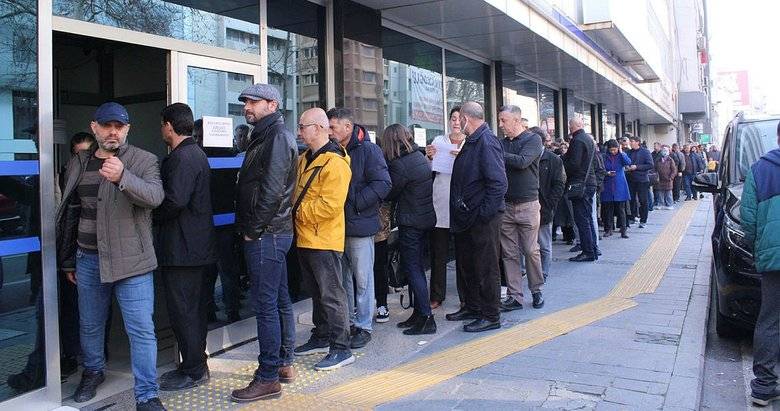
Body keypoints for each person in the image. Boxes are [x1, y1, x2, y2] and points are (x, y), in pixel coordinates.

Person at [56, 102, 165, 410]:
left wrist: (123, 178)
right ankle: (93, 372)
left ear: (127, 129)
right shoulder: (78, 162)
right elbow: (70, 213)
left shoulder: (144, 160)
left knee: (141, 330)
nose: (113, 131)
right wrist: (68, 259)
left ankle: (147, 394)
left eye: (119, 126)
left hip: (134, 264)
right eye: (107, 126)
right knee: (90, 324)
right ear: (95, 128)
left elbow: (155, 198)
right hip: (88, 259)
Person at [230, 84, 299, 402]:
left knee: (266, 306)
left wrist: (252, 230)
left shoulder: (276, 137)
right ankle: (284, 363)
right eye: (245, 101)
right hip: (272, 232)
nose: (247, 106)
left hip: (266, 233)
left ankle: (268, 376)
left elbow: (272, 190)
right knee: (280, 300)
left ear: (272, 105)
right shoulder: (265, 135)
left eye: (253, 102)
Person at [154, 103, 216, 392]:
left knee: (184, 312)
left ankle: (192, 369)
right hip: (197, 248)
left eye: (162, 125)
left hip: (182, 250)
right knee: (194, 310)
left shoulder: (182, 157)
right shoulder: (197, 153)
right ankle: (195, 364)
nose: (162, 131)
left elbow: (175, 201)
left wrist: (150, 215)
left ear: (169, 125)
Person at [291, 108, 354, 371]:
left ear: (318, 128)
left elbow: (329, 206)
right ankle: (321, 336)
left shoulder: (335, 163)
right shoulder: (305, 158)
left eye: (303, 126)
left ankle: (341, 348)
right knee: (317, 294)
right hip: (306, 237)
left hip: (323, 239)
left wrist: (296, 212)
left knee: (332, 295)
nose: (299, 132)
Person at [327, 108, 391, 349]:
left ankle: (364, 326)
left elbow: (384, 183)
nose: (330, 132)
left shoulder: (369, 150)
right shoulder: (332, 151)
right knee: (343, 280)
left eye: (333, 127)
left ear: (348, 127)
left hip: (359, 225)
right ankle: (349, 322)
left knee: (363, 279)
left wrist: (355, 202)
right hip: (335, 226)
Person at [446, 101, 508, 333]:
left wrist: (483, 214)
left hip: (482, 219)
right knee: (468, 265)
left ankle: (490, 314)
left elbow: (498, 184)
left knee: (485, 267)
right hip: (467, 219)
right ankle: (472, 306)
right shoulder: (472, 141)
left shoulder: (486, 141)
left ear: (466, 118)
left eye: (458, 118)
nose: (456, 122)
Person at [382, 124, 437, 335]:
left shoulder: (400, 165)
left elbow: (390, 192)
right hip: (424, 219)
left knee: (413, 269)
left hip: (411, 222)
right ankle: (419, 313)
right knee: (418, 269)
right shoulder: (419, 157)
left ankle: (426, 318)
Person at [741, 125, 780, 407]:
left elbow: (748, 220)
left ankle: (764, 387)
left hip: (773, 259)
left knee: (769, 321)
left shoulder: (759, 170)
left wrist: (760, 248)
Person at [496, 105, 545, 311]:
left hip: (528, 204)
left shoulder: (533, 139)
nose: (500, 125)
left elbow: (523, 162)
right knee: (508, 253)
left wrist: (497, 152)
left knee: (531, 250)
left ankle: (536, 290)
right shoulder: (501, 143)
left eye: (503, 121)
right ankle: (515, 296)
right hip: (506, 205)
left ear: (517, 121)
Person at [425, 107, 466, 309]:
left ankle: (465, 296)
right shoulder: (439, 141)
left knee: (464, 252)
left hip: (461, 202)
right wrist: (429, 157)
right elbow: (429, 170)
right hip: (439, 199)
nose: (456, 122)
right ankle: (436, 294)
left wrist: (462, 157)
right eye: (453, 118)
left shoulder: (470, 143)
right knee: (438, 252)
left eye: (459, 118)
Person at [528, 126, 566, 279]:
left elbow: (559, 183)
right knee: (526, 244)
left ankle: (544, 271)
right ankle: (527, 270)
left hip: (544, 207)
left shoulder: (553, 160)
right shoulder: (526, 157)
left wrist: (550, 203)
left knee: (544, 243)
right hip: (527, 205)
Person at [563, 117, 599, 262]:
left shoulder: (577, 140)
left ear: (572, 126)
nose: (569, 128)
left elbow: (574, 164)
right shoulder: (588, 139)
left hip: (580, 184)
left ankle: (588, 252)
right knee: (588, 218)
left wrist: (562, 165)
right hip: (589, 182)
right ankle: (593, 249)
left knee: (582, 219)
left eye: (569, 126)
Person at [601, 139, 632, 238]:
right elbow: (601, 168)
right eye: (611, 150)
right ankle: (608, 229)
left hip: (619, 184)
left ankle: (623, 230)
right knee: (608, 209)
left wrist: (622, 153)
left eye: (615, 150)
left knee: (621, 209)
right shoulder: (604, 156)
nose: (613, 152)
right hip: (608, 184)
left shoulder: (621, 156)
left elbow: (628, 162)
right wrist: (607, 173)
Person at [626, 136, 654, 228]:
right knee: (631, 200)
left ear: (638, 142)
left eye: (632, 141)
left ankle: (643, 220)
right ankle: (632, 218)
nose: (630, 143)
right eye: (630, 141)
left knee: (643, 200)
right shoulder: (629, 152)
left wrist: (637, 167)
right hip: (630, 179)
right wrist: (627, 167)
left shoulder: (645, 152)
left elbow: (650, 165)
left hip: (642, 180)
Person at [373, 202, 393, 323]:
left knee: (379, 267)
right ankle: (355, 304)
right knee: (355, 269)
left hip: (379, 225)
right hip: (357, 223)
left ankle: (382, 304)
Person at [653, 145, 677, 210]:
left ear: (668, 152)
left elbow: (674, 170)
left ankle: (669, 205)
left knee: (668, 193)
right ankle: (660, 204)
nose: (664, 152)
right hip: (659, 179)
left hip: (668, 179)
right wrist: (655, 176)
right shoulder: (658, 160)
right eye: (663, 150)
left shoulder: (670, 160)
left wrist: (671, 177)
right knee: (659, 192)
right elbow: (654, 168)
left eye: (666, 151)